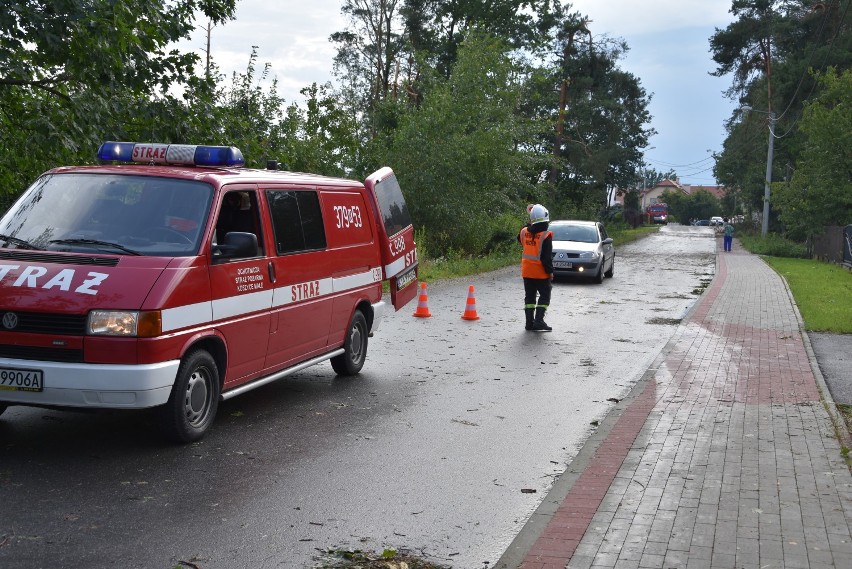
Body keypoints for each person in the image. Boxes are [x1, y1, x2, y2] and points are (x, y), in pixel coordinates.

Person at [518, 203, 554, 331]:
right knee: (545, 296)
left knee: (530, 298)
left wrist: (529, 224)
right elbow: (546, 258)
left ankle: (529, 323)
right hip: (541, 273)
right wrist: (550, 272)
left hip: (527, 272)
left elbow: (520, 238)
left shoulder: (524, 231)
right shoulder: (546, 236)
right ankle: (539, 320)